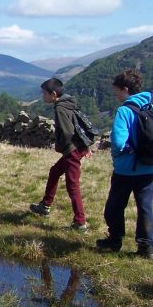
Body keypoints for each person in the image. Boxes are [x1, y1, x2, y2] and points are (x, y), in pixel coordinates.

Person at [96, 69, 153, 258]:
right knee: (146, 206)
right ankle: (146, 248)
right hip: (149, 166)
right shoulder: (150, 104)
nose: (115, 94)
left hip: (126, 169)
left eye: (117, 91)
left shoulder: (124, 111)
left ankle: (114, 240)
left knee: (115, 206)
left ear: (125, 89)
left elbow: (119, 143)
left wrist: (117, 154)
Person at [29, 78, 89, 231]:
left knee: (72, 186)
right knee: (54, 172)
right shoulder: (69, 102)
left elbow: (67, 131)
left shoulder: (60, 108)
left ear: (53, 94)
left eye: (44, 94)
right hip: (77, 147)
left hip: (71, 150)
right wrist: (85, 145)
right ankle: (45, 205)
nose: (43, 97)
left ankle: (80, 222)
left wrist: (61, 146)